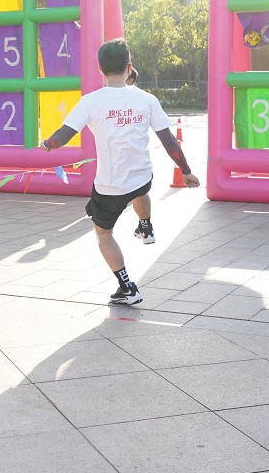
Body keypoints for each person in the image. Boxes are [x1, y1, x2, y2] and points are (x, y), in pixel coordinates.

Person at [41, 38, 200, 305]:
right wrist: (186, 171)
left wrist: (47, 144)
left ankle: (127, 288)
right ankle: (146, 227)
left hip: (111, 186)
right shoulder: (147, 99)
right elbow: (169, 141)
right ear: (129, 67)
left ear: (100, 69)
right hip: (143, 177)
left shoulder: (90, 102)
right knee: (139, 192)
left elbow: (62, 137)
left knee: (103, 233)